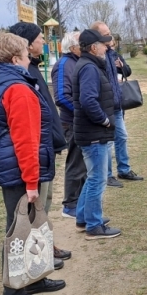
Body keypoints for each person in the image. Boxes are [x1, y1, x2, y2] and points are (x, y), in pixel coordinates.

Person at [0, 33, 66, 295]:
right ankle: (13, 294)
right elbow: (26, 141)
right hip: (18, 169)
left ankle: (32, 279)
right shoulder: (17, 89)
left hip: (9, 166)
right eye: (26, 55)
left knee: (27, 227)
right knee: (18, 230)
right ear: (15, 59)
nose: (30, 60)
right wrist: (31, 181)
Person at [9, 22, 71, 263]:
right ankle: (38, 257)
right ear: (26, 44)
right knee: (36, 205)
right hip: (36, 149)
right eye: (39, 38)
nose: (44, 41)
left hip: (46, 147)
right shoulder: (23, 75)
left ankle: (46, 244)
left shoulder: (33, 69)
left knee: (45, 201)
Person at [73, 28, 121, 240]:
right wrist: (104, 121)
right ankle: (94, 225)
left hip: (91, 132)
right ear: (93, 48)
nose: (107, 47)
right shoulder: (89, 68)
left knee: (93, 177)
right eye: (103, 44)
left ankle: (83, 218)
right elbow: (88, 100)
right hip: (94, 133)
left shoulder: (89, 65)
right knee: (98, 180)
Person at [89, 21, 143, 188]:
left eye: (109, 33)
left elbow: (126, 71)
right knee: (108, 141)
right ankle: (108, 175)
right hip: (105, 106)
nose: (110, 36)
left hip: (117, 105)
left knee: (122, 137)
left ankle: (124, 169)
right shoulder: (96, 57)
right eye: (106, 34)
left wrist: (121, 66)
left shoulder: (113, 54)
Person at [51, 31, 86, 218]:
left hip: (79, 121)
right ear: (73, 48)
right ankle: (70, 205)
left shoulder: (77, 62)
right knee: (75, 162)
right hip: (71, 122)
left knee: (83, 163)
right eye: (82, 44)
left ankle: (80, 201)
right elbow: (62, 97)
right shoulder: (64, 65)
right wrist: (82, 112)